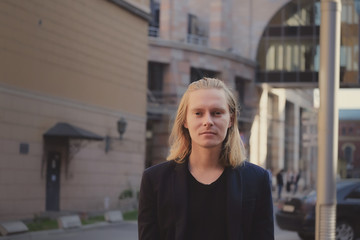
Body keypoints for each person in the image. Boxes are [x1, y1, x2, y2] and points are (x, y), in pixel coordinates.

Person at [138, 78, 274, 240]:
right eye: (198, 113)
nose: (207, 121)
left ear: (230, 120)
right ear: (185, 121)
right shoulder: (154, 180)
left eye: (217, 113)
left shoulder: (257, 179)